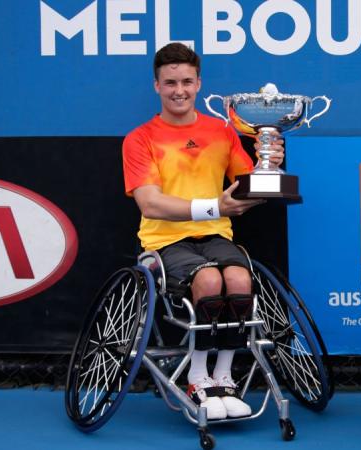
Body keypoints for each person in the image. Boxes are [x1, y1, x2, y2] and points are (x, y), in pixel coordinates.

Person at [122, 42, 285, 420]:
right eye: (170, 82)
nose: (179, 90)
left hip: (216, 236)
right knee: (210, 282)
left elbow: (247, 185)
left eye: (187, 81)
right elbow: (150, 204)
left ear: (199, 84)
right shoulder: (140, 138)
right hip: (165, 240)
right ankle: (198, 378)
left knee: (240, 280)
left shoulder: (222, 131)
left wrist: (269, 167)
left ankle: (224, 376)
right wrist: (217, 205)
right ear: (156, 86)